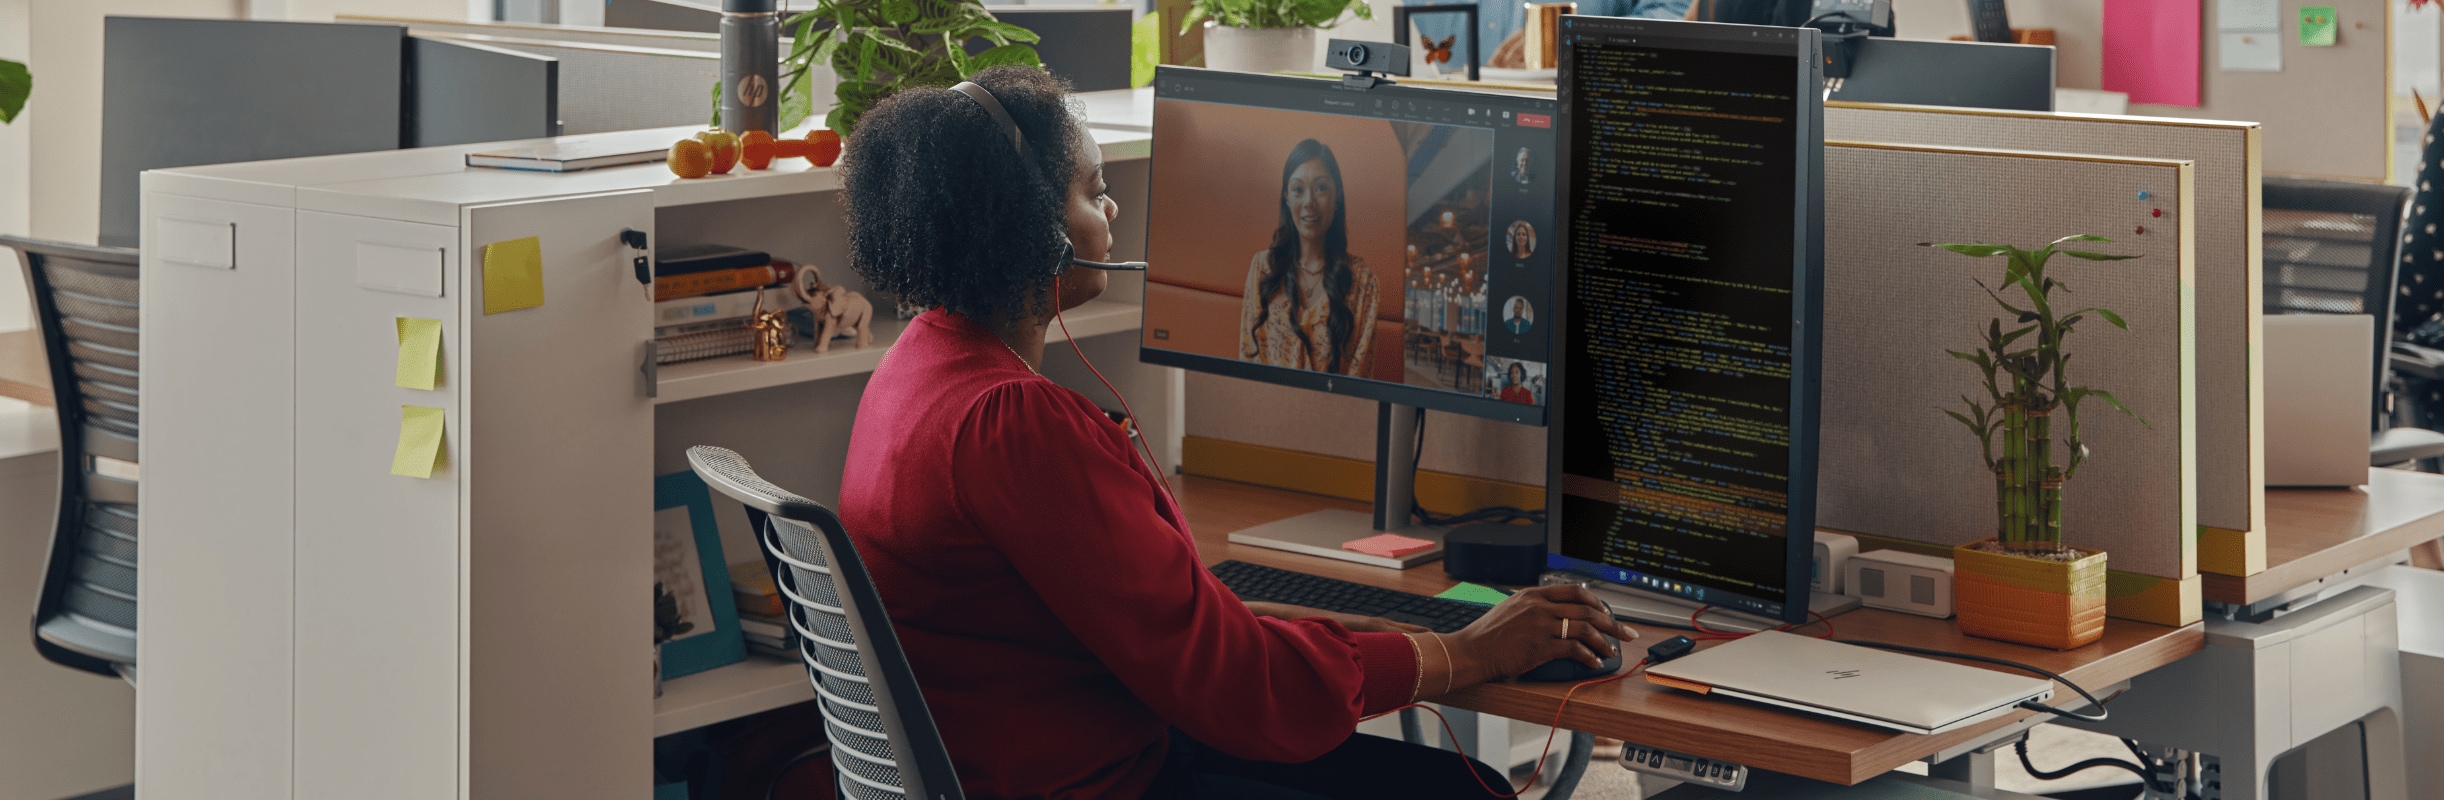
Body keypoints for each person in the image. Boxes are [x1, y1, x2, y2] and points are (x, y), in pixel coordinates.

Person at [836, 66, 1630, 800]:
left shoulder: (914, 372)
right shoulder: (1011, 424)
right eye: (1093, 190)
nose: (1111, 210)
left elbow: (1192, 630)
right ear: (1030, 228)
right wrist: (1468, 653)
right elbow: (1236, 684)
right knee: (1463, 788)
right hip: (1105, 781)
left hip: (1038, 764)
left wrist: (1382, 638)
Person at [1240, 139, 1378, 377]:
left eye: (1321, 188)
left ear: (1338, 197)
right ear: (1287, 198)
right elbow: (1248, 359)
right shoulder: (1263, 268)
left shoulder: (1363, 283)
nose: (1309, 202)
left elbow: (1359, 378)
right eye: (1298, 190)